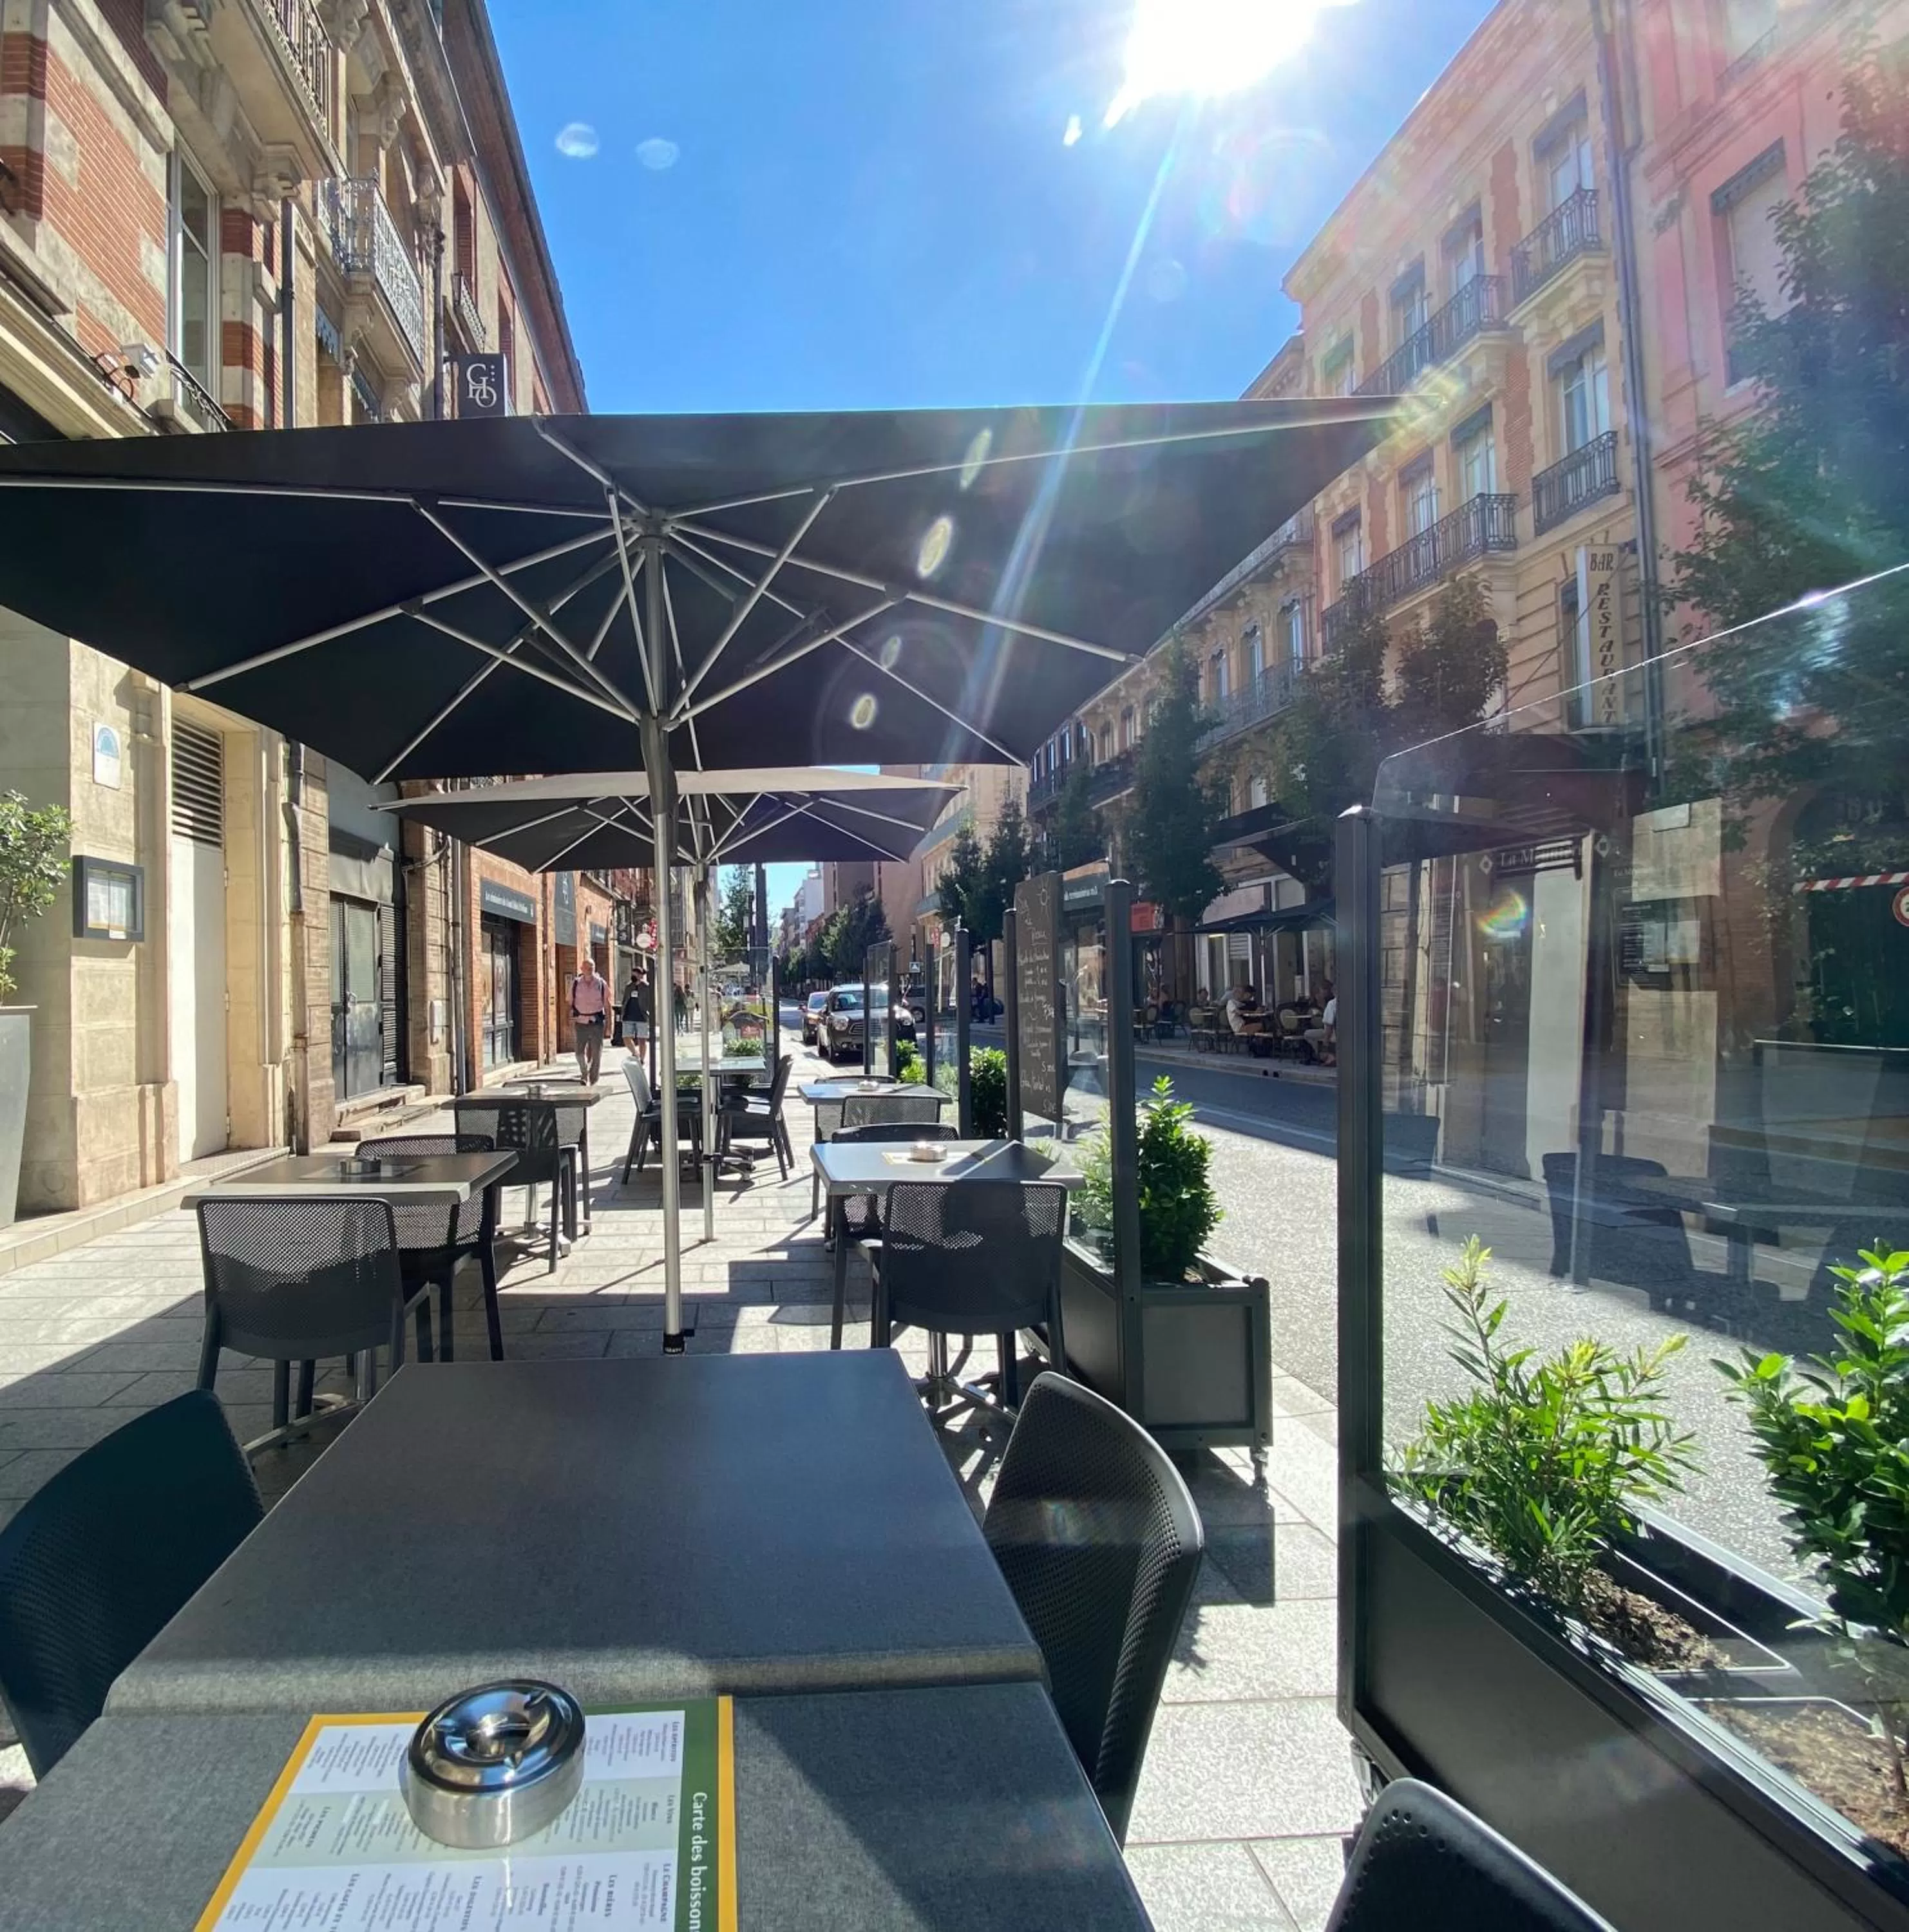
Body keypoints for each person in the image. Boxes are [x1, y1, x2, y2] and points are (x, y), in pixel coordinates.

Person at [570, 954, 609, 1084]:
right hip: (580, 1022)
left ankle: (593, 1078)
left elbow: (607, 1004)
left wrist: (609, 1025)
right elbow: (570, 1002)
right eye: (587, 967)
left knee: (597, 1052)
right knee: (579, 1052)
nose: (589, 969)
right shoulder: (575, 983)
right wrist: (569, 1018)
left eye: (592, 967)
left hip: (597, 1021)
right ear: (581, 968)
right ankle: (584, 1072)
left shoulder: (601, 983)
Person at [621, 969, 650, 1053]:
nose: (633, 976)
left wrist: (648, 1012)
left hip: (642, 1016)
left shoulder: (646, 987)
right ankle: (635, 1053)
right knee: (626, 1037)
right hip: (628, 1016)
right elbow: (625, 1000)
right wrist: (623, 1012)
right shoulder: (629, 986)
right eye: (633, 974)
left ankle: (642, 1059)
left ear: (641, 975)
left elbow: (650, 1001)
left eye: (636, 974)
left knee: (642, 1040)